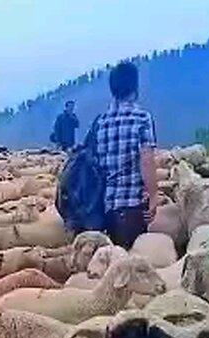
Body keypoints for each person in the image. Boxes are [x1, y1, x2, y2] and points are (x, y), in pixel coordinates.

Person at [88, 61, 159, 248]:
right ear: (135, 87)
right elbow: (146, 159)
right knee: (130, 267)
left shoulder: (100, 122)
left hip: (106, 209)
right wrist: (153, 195)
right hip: (132, 207)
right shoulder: (142, 118)